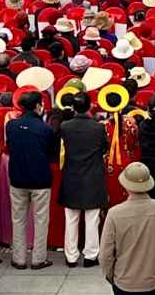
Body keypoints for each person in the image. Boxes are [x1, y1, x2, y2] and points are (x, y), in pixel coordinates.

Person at [100, 162, 155, 295]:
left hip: (124, 282)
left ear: (126, 185)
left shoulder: (115, 213)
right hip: (154, 282)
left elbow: (105, 254)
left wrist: (112, 276)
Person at [4, 89, 56, 270]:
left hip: (18, 177)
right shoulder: (45, 129)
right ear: (37, 106)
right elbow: (52, 154)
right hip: (40, 179)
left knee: (18, 219)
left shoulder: (10, 126)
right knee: (41, 220)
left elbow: (9, 147)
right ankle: (38, 258)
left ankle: (18, 258)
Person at [60, 92, 109, 268]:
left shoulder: (65, 126)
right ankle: (90, 255)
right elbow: (105, 148)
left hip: (72, 175)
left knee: (71, 218)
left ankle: (71, 256)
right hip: (92, 175)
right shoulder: (98, 128)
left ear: (73, 107)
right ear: (89, 106)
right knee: (92, 218)